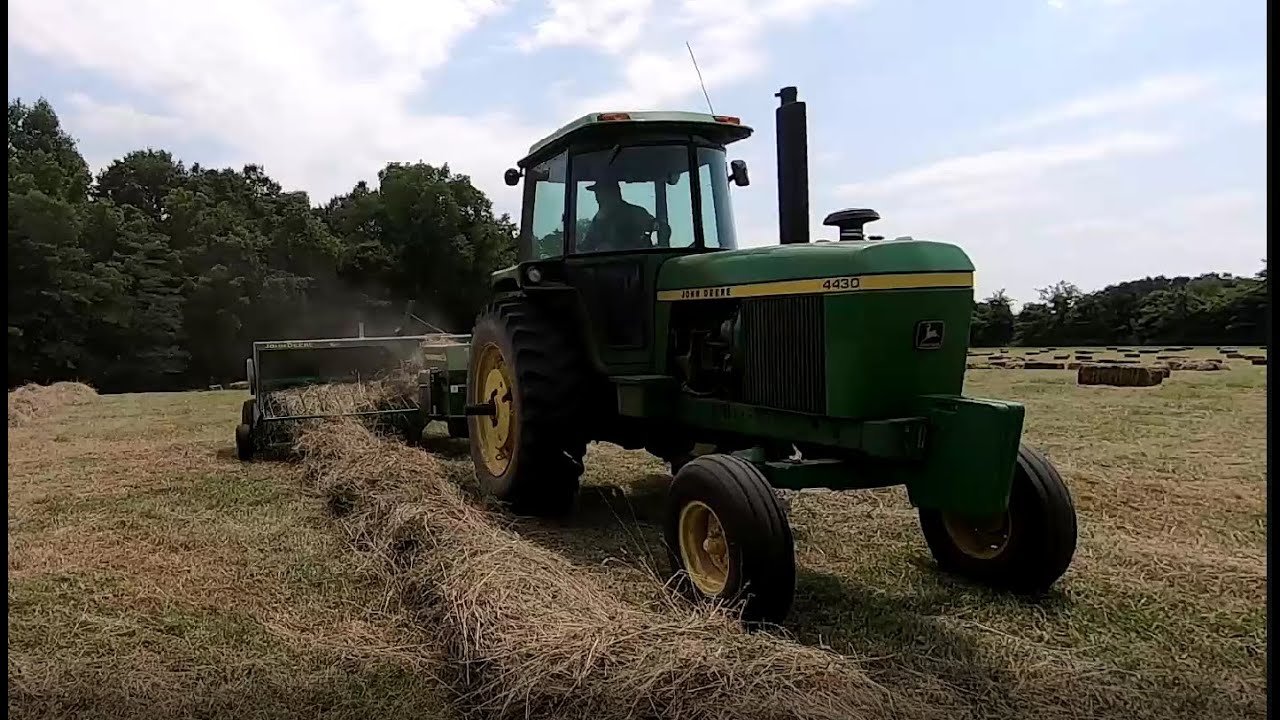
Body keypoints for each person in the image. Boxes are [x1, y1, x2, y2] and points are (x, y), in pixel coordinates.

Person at [579, 180, 658, 252]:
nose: (597, 198)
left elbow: (656, 226)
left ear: (614, 193)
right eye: (597, 194)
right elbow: (587, 245)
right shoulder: (598, 219)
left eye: (600, 193)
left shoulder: (635, 212)